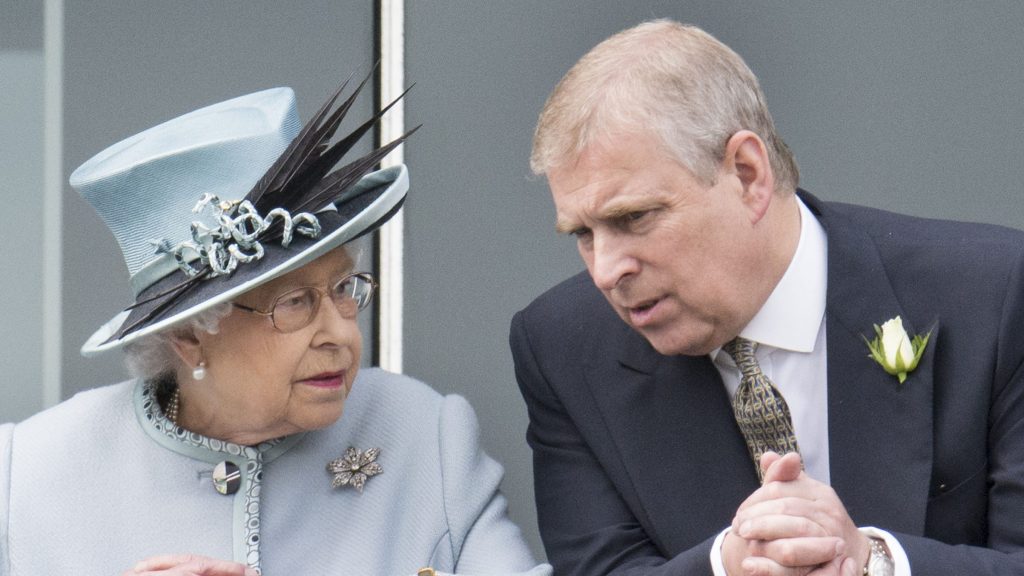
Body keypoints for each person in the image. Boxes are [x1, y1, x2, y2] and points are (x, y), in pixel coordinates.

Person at [510, 18, 1024, 576]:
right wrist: (727, 566)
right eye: (583, 235)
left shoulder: (995, 295)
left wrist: (875, 563)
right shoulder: (562, 348)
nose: (607, 270)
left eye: (634, 217)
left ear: (748, 174)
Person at [0, 77, 551, 576]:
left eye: (343, 289)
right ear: (189, 335)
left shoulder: (423, 435)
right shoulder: (27, 476)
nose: (339, 332)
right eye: (293, 303)